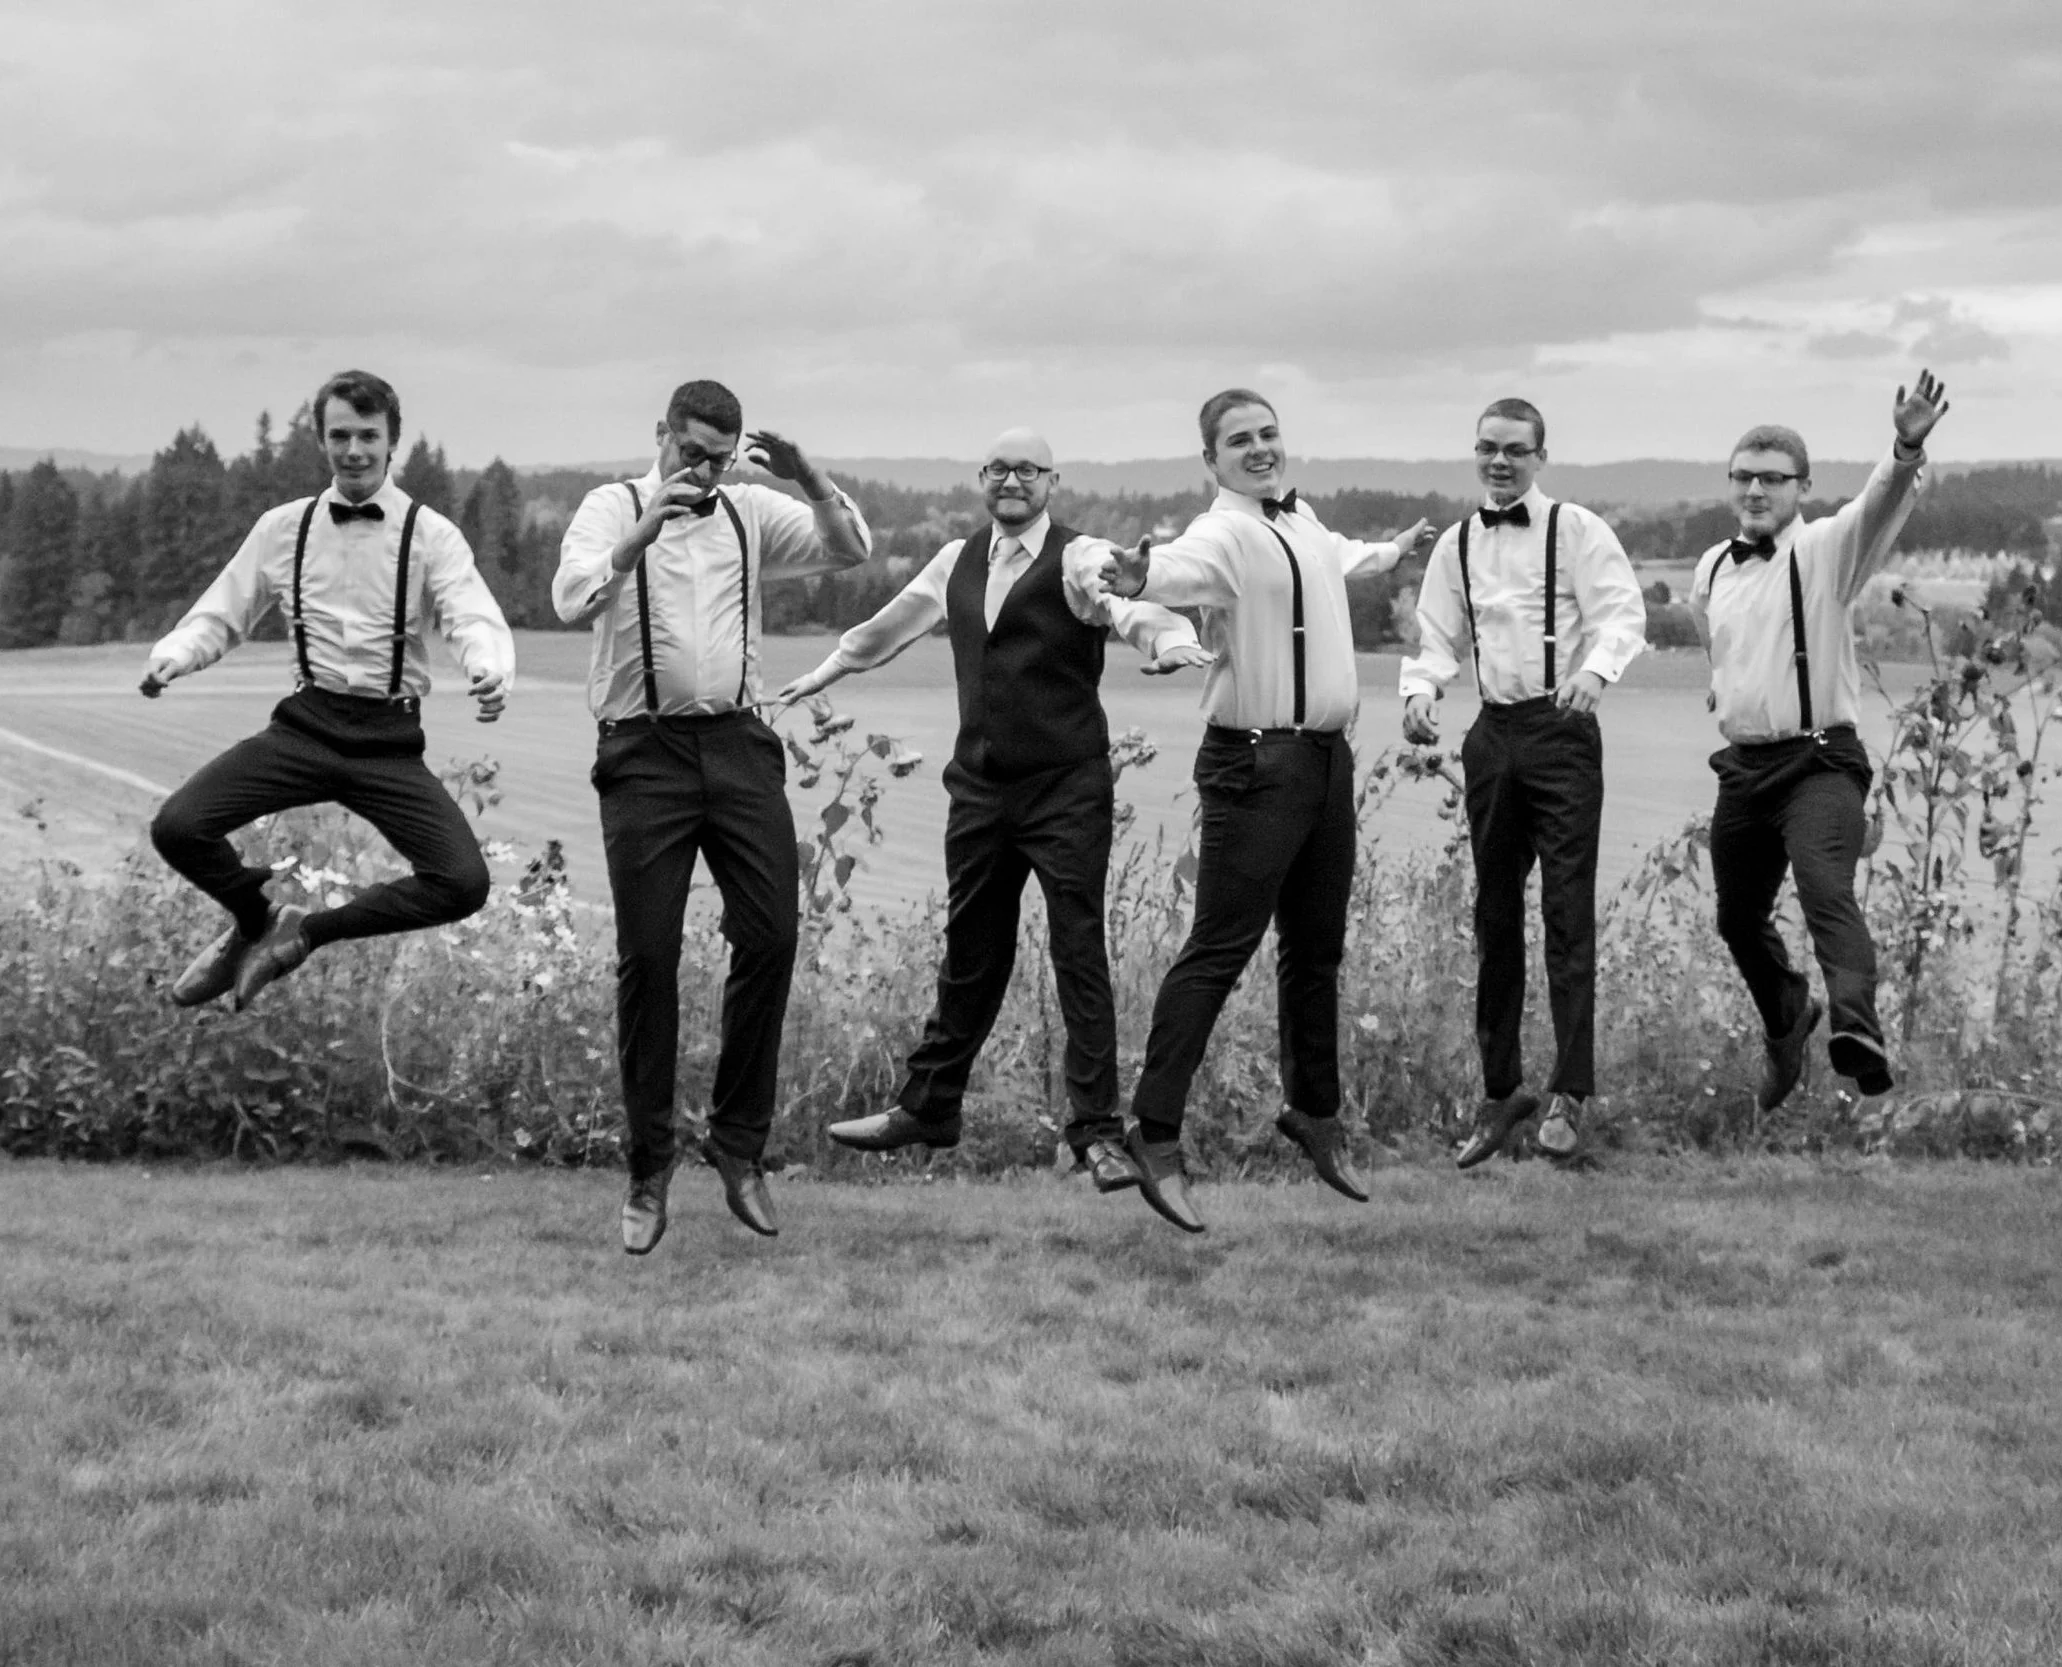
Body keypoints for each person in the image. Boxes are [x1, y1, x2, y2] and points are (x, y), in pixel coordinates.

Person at [776, 429, 1212, 1187]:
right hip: (979, 788)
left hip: (1065, 788)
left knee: (1078, 952)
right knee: (971, 951)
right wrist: (821, 675)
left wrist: (1168, 638)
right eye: (1000, 469)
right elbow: (888, 627)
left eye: (1028, 470)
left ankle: (1098, 1132)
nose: (1013, 481)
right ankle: (929, 1107)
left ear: (1052, 481)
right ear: (982, 478)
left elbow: (1124, 602)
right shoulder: (956, 559)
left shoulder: (1078, 556)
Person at [1100, 390, 1435, 1231]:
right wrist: (1142, 578)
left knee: (1316, 949)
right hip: (1255, 762)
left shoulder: (1302, 521)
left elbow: (1342, 555)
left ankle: (1313, 1112)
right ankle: (1154, 1131)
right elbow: (1179, 567)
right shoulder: (1225, 534)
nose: (1259, 448)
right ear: (1210, 460)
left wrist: (1393, 550)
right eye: (1239, 440)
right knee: (1219, 949)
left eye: (1268, 433)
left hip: (1324, 761)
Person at [554, 379, 871, 1255]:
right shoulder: (609, 507)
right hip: (642, 751)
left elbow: (848, 550)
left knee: (771, 934)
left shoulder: (748, 512)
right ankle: (648, 1167)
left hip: (736, 744)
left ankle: (737, 1145)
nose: (700, 470)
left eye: (717, 459)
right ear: (660, 433)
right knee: (648, 957)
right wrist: (641, 534)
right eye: (689, 451)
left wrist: (808, 477)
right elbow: (570, 597)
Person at [144, 369, 512, 1013]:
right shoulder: (283, 528)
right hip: (305, 728)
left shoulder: (430, 535)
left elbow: (470, 614)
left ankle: (304, 933)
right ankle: (255, 921)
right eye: (340, 436)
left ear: (392, 441)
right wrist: (173, 657)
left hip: (387, 743)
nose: (354, 451)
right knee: (178, 828)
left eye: (368, 436)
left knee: (462, 883)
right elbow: (223, 612)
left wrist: (488, 668)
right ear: (321, 441)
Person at [1690, 369, 1950, 1114]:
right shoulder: (1713, 566)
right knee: (1737, 918)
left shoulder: (1828, 549)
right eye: (1744, 477)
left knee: (1824, 886)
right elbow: (1718, 642)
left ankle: (1857, 1031)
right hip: (1745, 769)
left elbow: (1879, 506)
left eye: (1773, 479)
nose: (1755, 490)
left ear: (1802, 487)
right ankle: (1787, 1013)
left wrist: (1904, 448)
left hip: (1819, 761)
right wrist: (1727, 687)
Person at [1401, 397, 1645, 1166]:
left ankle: (1570, 1092)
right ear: (1475, 453)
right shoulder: (1458, 542)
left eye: (1514, 449)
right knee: (1495, 916)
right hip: (1492, 735)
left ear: (1540, 456)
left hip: (1561, 732)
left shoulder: (1577, 529)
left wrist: (1595, 673)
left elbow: (1622, 614)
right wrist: (1420, 691)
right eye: (1488, 448)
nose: (1499, 461)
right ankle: (1501, 1091)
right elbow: (1436, 635)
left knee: (1567, 913)